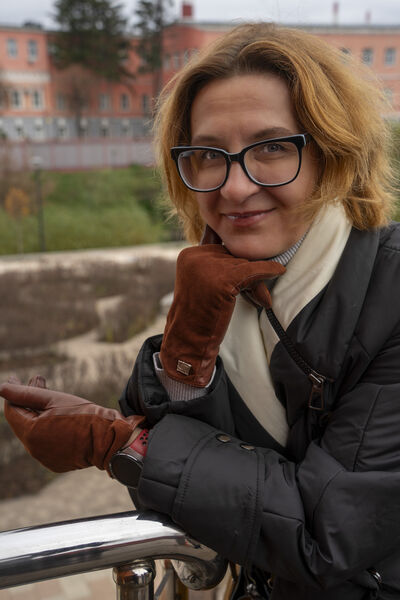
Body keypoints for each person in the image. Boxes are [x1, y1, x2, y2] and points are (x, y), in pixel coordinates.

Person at [2, 21, 400, 599]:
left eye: (272, 148)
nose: (234, 187)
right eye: (210, 154)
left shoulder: (389, 292)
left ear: (332, 154)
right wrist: (188, 351)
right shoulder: (219, 284)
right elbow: (185, 493)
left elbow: (327, 531)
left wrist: (121, 444)